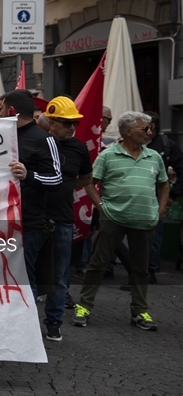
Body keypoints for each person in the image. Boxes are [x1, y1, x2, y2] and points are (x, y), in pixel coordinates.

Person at [75, 112, 169, 331]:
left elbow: (164, 184)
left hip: (144, 219)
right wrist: (100, 207)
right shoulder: (108, 156)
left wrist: (161, 208)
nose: (149, 132)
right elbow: (89, 182)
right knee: (98, 264)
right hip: (113, 217)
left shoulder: (153, 156)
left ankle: (139, 311)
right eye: (145, 129)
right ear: (128, 132)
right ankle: (84, 306)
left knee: (141, 269)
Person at [38, 97, 92, 342]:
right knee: (27, 271)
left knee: (59, 275)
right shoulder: (38, 143)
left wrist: (65, 186)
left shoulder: (79, 148)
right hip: (34, 218)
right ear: (51, 123)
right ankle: (25, 321)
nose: (72, 127)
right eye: (65, 122)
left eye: (74, 123)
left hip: (62, 218)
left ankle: (53, 322)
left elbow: (85, 179)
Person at [4, 89, 63, 301]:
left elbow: (56, 179)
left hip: (29, 224)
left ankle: (29, 331)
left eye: (1, 109)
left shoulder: (44, 139)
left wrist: (29, 175)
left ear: (11, 110)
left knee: (25, 280)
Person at [144, 112, 182, 282]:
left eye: (152, 128)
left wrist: (173, 195)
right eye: (145, 128)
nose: (149, 132)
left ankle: (150, 270)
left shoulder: (167, 145)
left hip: (156, 197)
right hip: (133, 196)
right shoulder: (131, 143)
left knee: (154, 235)